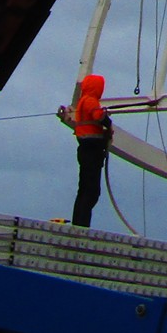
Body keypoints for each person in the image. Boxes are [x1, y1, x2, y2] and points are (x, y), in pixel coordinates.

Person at [65, 73, 110, 227]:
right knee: (91, 192)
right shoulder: (91, 101)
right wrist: (107, 120)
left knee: (84, 189)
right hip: (92, 150)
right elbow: (98, 116)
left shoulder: (83, 101)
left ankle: (79, 223)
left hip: (86, 149)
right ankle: (81, 225)